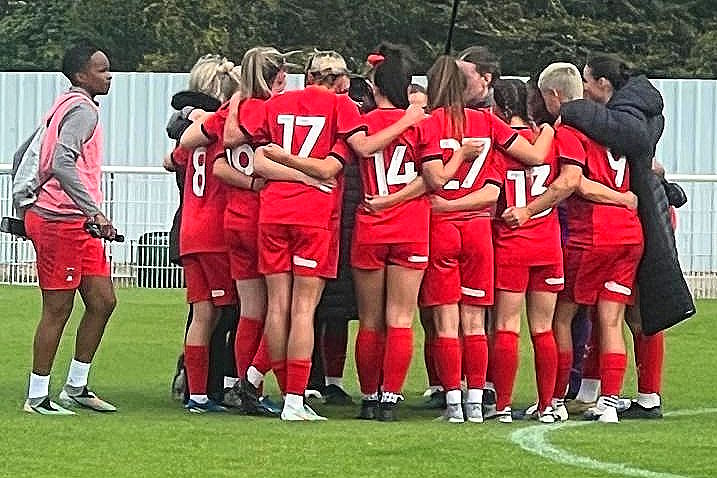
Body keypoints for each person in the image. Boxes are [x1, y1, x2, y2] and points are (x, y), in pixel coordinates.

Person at [255, 49, 424, 421]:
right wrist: (307, 175)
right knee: (306, 310)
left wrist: (286, 163)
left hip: (273, 211)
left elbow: (258, 160)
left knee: (278, 307)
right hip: (318, 215)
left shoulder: (278, 104)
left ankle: (269, 385)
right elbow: (341, 161)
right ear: (341, 81)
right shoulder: (345, 108)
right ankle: (297, 401)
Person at [416, 56, 555, 424]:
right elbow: (534, 156)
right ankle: (477, 404)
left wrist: (441, 206)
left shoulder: (429, 124)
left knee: (446, 323)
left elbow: (433, 181)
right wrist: (552, 128)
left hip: (442, 229)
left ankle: (454, 407)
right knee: (476, 323)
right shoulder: (487, 122)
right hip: (479, 229)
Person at [505, 62, 643, 423]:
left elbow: (573, 182)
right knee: (610, 320)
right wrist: (625, 198)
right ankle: (609, 403)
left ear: (553, 96)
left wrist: (529, 209)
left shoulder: (570, 127)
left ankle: (555, 400)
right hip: (629, 232)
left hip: (593, 233)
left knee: (560, 318)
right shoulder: (612, 124)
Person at [563, 55, 674, 418]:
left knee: (639, 313)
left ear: (604, 85)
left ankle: (647, 395)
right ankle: (600, 394)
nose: (584, 89)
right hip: (634, 219)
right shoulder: (626, 121)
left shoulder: (620, 124)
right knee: (608, 313)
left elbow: (577, 179)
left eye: (588, 81)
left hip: (634, 220)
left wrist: (568, 108)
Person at [22, 45, 117, 415]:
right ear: (81, 76)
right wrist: (95, 211)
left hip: (78, 223)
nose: (110, 76)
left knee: (103, 301)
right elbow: (62, 162)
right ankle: (37, 396)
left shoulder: (64, 105)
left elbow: (24, 154)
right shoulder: (81, 110)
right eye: (102, 70)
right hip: (61, 222)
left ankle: (76, 386)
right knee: (57, 308)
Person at [170, 57, 243, 413]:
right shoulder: (223, 129)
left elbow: (172, 160)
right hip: (217, 233)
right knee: (233, 313)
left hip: (190, 232)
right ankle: (229, 387)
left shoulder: (195, 134)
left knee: (202, 316)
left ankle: (197, 392)